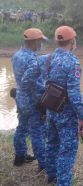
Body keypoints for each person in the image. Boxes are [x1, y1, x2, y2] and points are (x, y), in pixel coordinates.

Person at [45, 26, 83, 185]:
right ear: (72, 41)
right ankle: (63, 182)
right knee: (67, 152)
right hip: (66, 115)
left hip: (51, 110)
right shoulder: (73, 62)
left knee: (51, 144)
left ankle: (51, 176)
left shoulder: (49, 58)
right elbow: (74, 93)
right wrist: (82, 117)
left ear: (57, 41)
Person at [11, 28, 47, 171]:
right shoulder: (33, 60)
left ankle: (20, 156)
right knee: (37, 132)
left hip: (21, 98)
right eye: (40, 41)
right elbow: (34, 84)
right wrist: (45, 95)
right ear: (34, 41)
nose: (41, 44)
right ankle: (43, 164)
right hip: (32, 101)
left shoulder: (16, 55)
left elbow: (21, 81)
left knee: (22, 127)